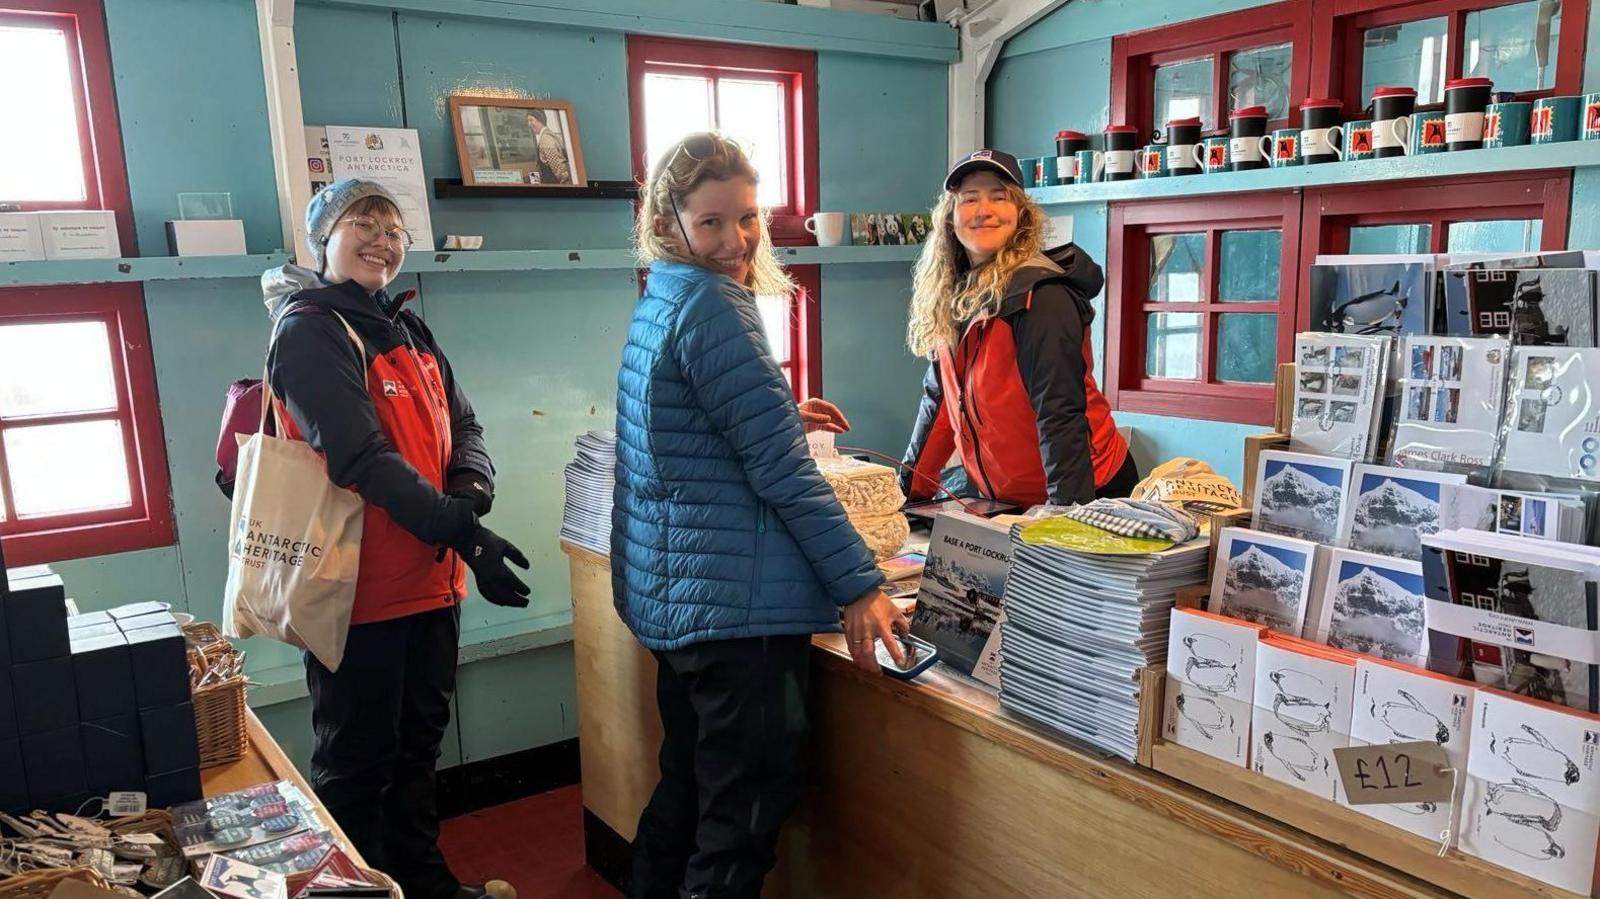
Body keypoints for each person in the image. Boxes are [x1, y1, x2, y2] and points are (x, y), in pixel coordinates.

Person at [613, 132, 908, 899]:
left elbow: (679, 426)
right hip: (738, 618)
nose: (736, 240)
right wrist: (860, 584)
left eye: (748, 218)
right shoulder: (714, 304)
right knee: (740, 817)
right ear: (667, 220)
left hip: (683, 606)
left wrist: (777, 408)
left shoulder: (665, 295)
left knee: (685, 788)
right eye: (711, 222)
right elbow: (781, 471)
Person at [261, 179, 531, 899]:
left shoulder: (406, 327)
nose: (383, 237)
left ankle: (422, 884)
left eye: (393, 225)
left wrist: (470, 489)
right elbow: (360, 460)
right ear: (323, 240)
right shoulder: (310, 330)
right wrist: (467, 533)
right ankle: (360, 893)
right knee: (357, 764)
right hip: (354, 594)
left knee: (417, 751)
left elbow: (465, 425)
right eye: (362, 222)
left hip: (429, 583)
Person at [900, 149, 1137, 508]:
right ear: (950, 216)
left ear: (1020, 214)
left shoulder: (1040, 295)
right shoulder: (955, 298)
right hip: (1007, 498)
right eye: (970, 199)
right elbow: (940, 407)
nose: (984, 210)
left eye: (999, 197)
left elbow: (1059, 412)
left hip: (1086, 491)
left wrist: (1064, 521)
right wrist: (906, 496)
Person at [526, 109, 571, 184]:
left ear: (539, 119)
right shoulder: (550, 135)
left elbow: (561, 172)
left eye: (531, 120)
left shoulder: (546, 140)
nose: (529, 124)